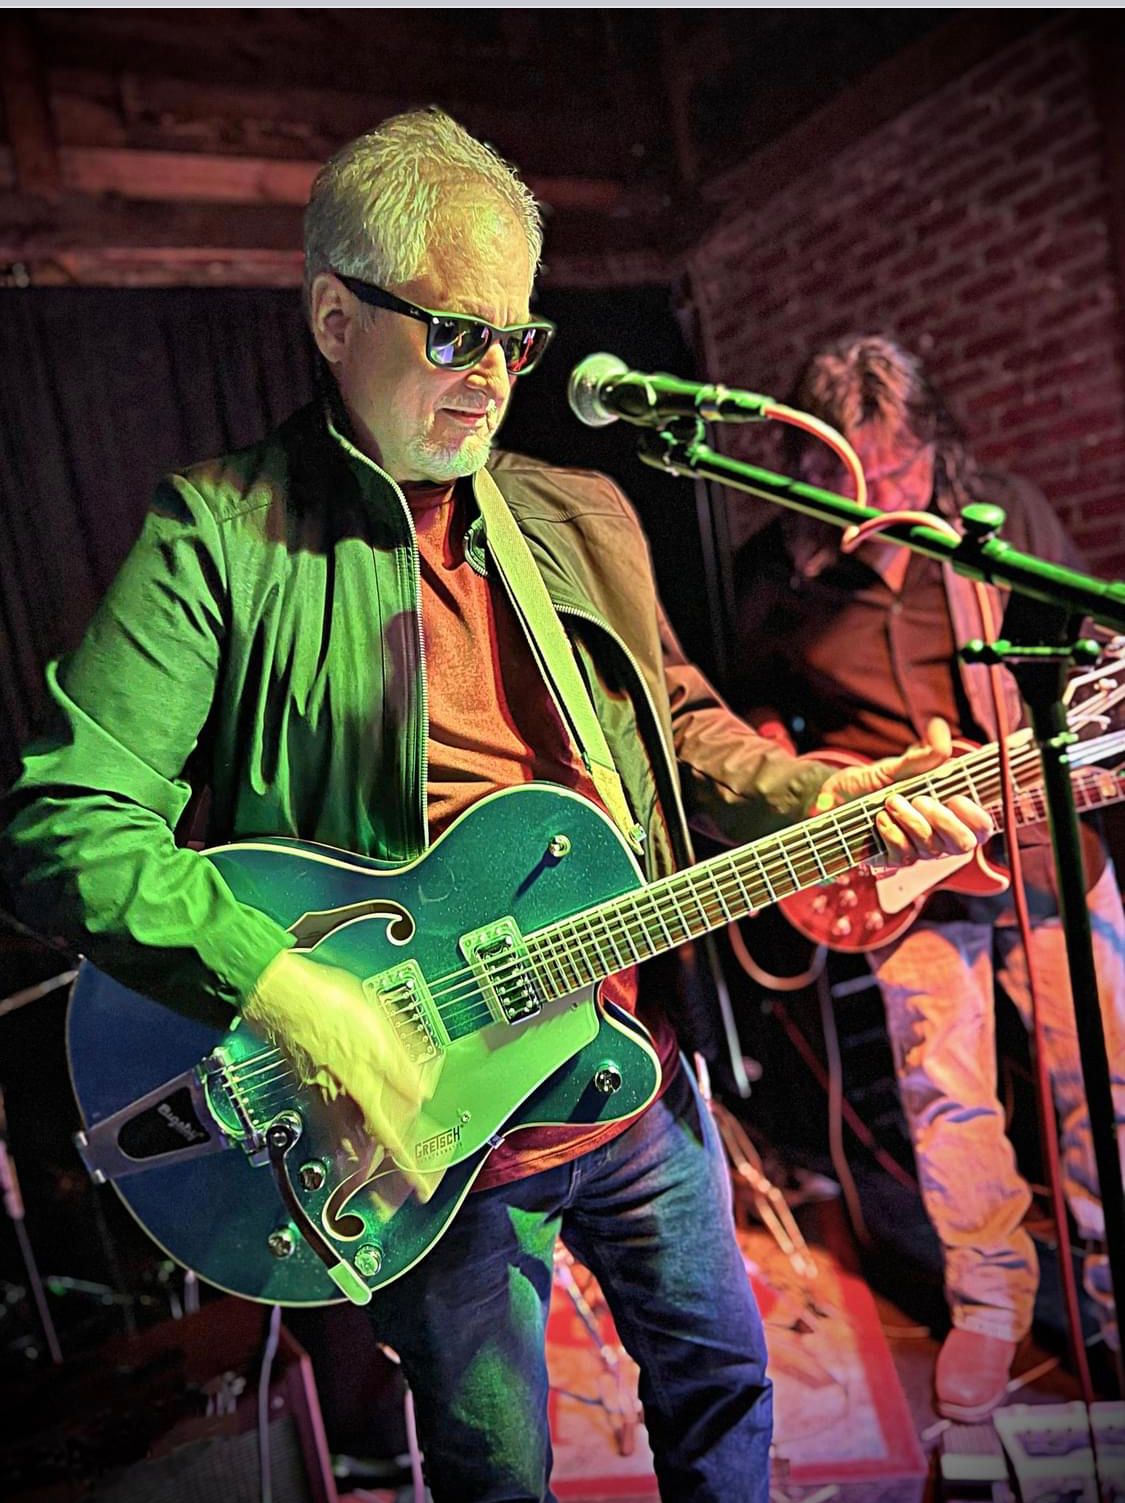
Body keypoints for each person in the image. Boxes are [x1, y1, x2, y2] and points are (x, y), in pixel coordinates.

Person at [0, 120, 992, 1501]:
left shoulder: (580, 511)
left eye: (516, 340)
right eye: (456, 333)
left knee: (725, 1387)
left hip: (622, 1062)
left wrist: (827, 793)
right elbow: (62, 821)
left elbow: (679, 726)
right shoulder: (220, 534)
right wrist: (285, 987)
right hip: (423, 1137)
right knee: (495, 1469)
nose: (492, 379)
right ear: (335, 318)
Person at [732, 333, 1125, 1423]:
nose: (881, 498)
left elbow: (1090, 655)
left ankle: (1111, 1295)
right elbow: (751, 713)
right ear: (808, 470)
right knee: (945, 1090)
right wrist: (805, 785)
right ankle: (989, 1303)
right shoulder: (778, 571)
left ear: (933, 447)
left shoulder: (1000, 521)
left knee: (1105, 1079)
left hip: (1041, 842)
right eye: (852, 477)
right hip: (895, 866)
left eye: (898, 468)